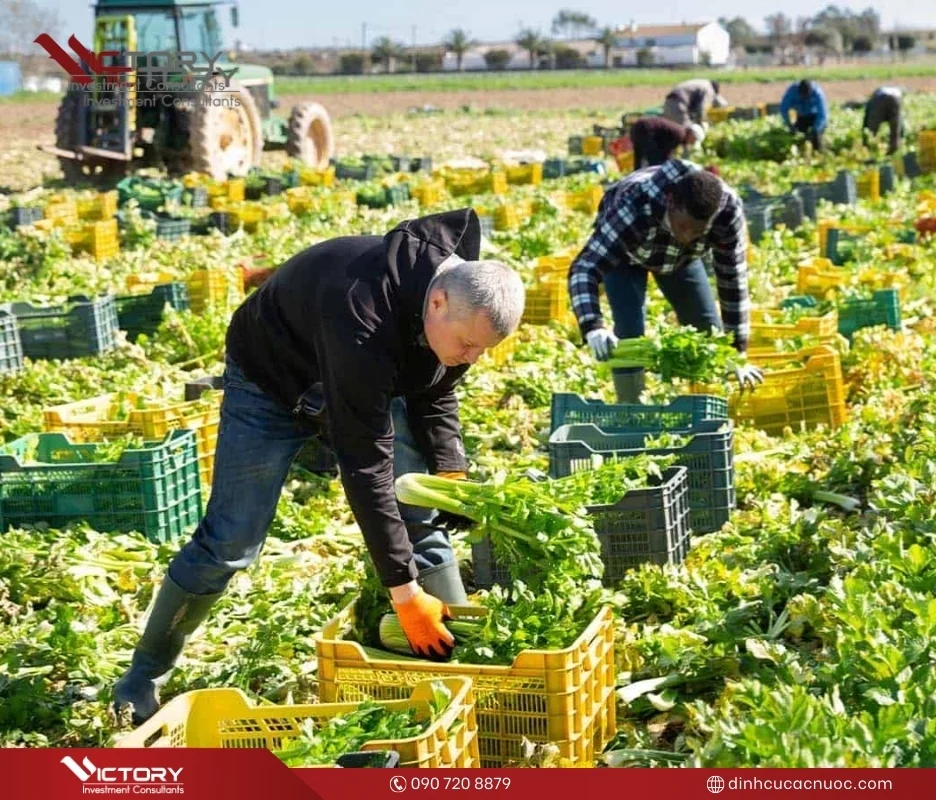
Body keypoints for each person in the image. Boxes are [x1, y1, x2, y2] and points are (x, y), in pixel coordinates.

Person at [111, 209, 526, 726]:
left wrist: (450, 470)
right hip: (271, 383)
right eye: (468, 345)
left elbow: (434, 394)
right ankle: (143, 674)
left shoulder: (451, 308)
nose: (470, 359)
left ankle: (462, 666)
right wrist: (403, 592)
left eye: (483, 350)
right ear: (436, 302)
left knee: (420, 513)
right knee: (230, 542)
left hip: (361, 380)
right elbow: (365, 463)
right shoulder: (362, 314)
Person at [567, 160, 764, 404]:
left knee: (709, 330)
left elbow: (733, 281)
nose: (687, 236)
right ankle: (631, 408)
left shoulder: (726, 214)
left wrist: (736, 354)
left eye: (697, 231)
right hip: (626, 257)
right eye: (683, 226)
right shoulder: (634, 206)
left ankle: (707, 403)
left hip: (681, 261)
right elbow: (585, 267)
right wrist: (592, 325)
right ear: (671, 202)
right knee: (630, 333)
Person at [629, 116, 705, 169]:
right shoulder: (680, 135)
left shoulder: (679, 131)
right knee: (655, 164)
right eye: (693, 140)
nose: (691, 144)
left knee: (639, 158)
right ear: (691, 135)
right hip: (646, 130)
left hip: (639, 127)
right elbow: (665, 152)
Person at [780, 79, 828, 152]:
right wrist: (790, 124)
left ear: (810, 91)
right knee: (799, 137)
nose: (804, 98)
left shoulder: (818, 93)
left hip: (814, 116)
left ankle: (818, 154)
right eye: (802, 95)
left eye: (806, 96)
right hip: (802, 116)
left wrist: (815, 130)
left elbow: (822, 115)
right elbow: (784, 109)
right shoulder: (792, 91)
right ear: (799, 91)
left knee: (816, 140)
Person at [662, 78, 728, 127]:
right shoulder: (709, 89)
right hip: (678, 106)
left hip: (668, 103)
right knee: (688, 132)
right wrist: (701, 124)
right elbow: (701, 109)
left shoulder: (701, 83)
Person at [862, 86, 904, 155]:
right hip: (896, 99)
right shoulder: (896, 92)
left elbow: (866, 118)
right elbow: (900, 121)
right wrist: (901, 134)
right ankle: (893, 153)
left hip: (880, 100)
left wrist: (864, 140)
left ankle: (869, 152)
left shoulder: (874, 97)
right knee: (895, 132)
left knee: (871, 130)